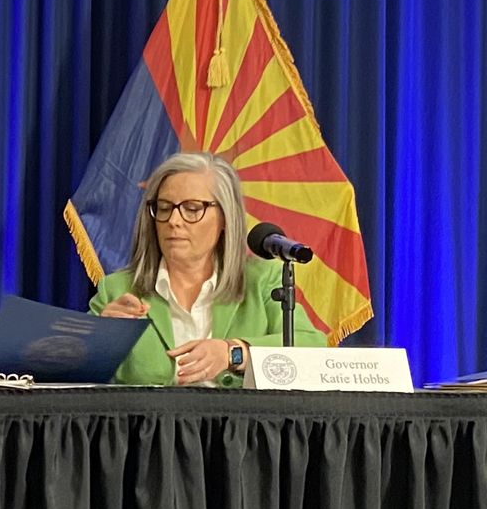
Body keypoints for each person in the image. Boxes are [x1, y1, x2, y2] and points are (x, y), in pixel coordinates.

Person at [89, 151, 323, 386]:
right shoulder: (117, 289)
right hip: (147, 412)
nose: (173, 221)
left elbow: (313, 348)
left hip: (241, 411)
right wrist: (102, 338)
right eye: (164, 208)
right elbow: (75, 374)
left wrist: (232, 352)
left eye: (192, 209)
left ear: (225, 218)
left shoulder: (262, 281)